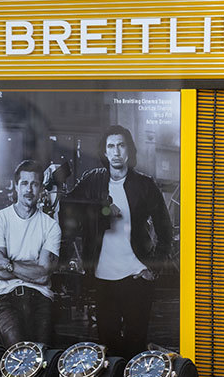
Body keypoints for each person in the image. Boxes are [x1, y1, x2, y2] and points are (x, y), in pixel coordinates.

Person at [52, 125, 174, 360]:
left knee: (135, 348)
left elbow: (165, 231)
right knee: (108, 348)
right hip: (102, 278)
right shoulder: (92, 180)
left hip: (137, 276)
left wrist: (152, 268)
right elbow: (69, 211)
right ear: (105, 152)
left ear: (129, 150)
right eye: (111, 146)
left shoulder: (144, 185)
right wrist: (104, 209)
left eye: (121, 145)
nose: (116, 152)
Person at [0, 160, 61, 346]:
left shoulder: (51, 226)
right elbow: (1, 274)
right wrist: (33, 267)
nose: (29, 189)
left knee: (41, 352)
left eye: (34, 184)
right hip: (6, 296)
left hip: (41, 296)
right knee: (17, 352)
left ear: (41, 188)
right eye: (24, 183)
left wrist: (8, 263)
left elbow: (43, 276)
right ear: (16, 186)